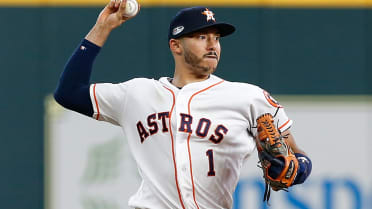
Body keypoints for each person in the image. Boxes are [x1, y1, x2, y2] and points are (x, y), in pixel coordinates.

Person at [54, 1, 312, 208]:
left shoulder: (248, 98)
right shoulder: (138, 93)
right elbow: (68, 93)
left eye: (216, 38)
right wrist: (103, 27)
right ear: (175, 45)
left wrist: (295, 168)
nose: (213, 45)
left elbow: (298, 157)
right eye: (202, 37)